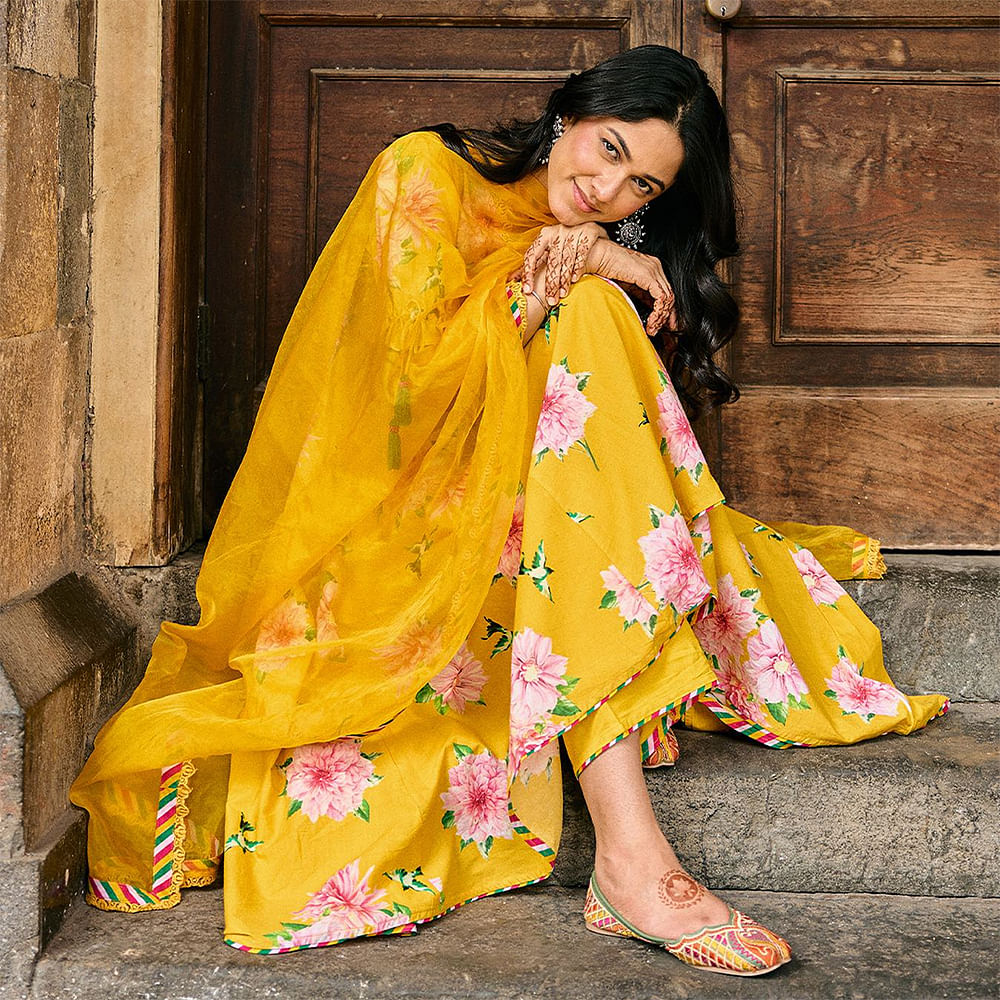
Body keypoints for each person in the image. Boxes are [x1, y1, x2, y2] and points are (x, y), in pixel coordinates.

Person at [70, 46, 948, 977]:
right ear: (569, 115)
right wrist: (558, 270)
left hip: (550, 518)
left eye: (638, 184)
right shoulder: (424, 171)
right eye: (605, 149)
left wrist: (594, 274)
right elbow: (402, 393)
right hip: (408, 501)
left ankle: (628, 855)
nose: (607, 187)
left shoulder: (621, 247)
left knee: (599, 322)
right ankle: (634, 858)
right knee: (586, 313)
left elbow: (632, 395)